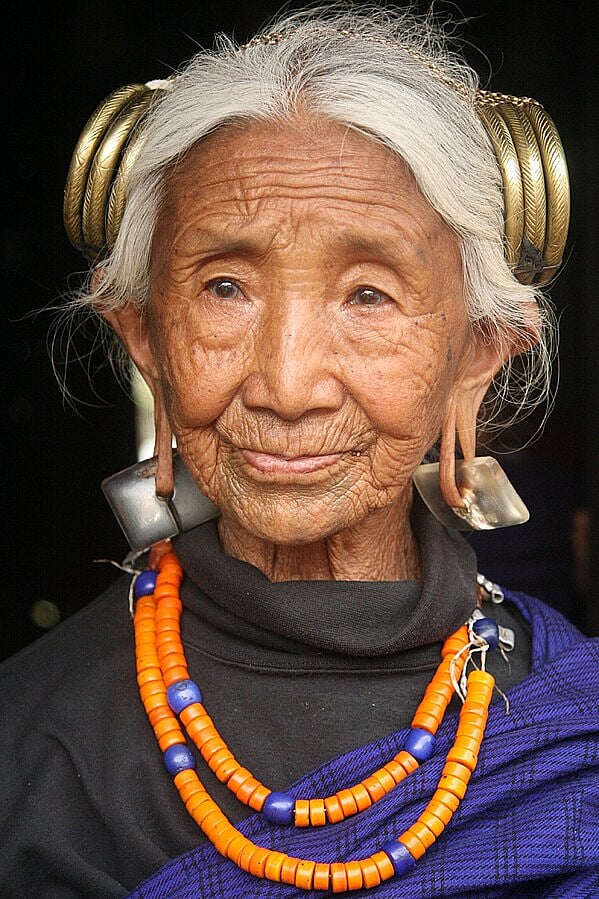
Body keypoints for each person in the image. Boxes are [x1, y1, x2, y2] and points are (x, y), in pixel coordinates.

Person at [1, 7, 597, 898]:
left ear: (474, 357)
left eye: (368, 294)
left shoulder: (567, 725)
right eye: (225, 287)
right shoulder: (29, 738)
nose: (286, 384)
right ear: (147, 342)